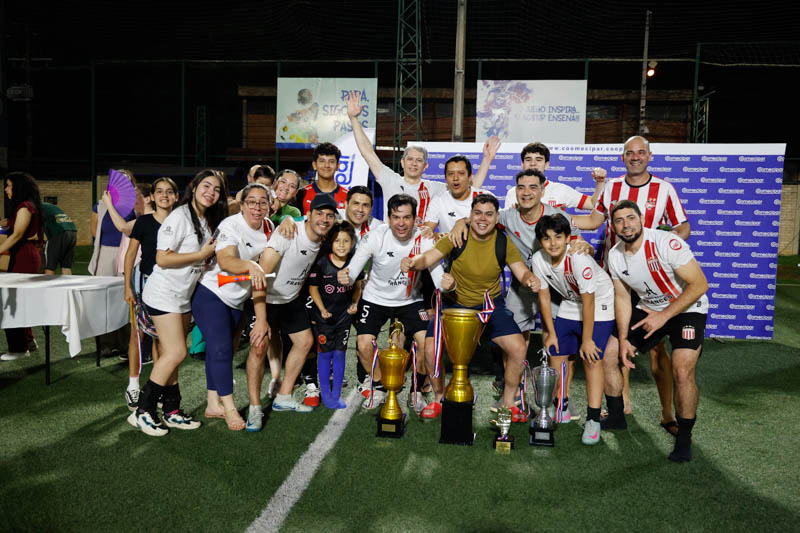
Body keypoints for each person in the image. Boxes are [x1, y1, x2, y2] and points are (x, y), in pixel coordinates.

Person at [448, 169, 592, 414]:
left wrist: (585, 247)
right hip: (522, 285)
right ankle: (514, 394)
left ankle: (560, 397)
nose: (526, 193)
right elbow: (481, 216)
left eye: (533, 187)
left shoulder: (557, 216)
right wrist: (460, 222)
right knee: (514, 339)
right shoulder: (508, 216)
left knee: (558, 340)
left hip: (555, 287)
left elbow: (579, 242)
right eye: (521, 187)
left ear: (542, 190)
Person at [572, 135, 690, 433]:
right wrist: (555, 217)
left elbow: (683, 226)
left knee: (657, 349)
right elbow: (594, 221)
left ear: (649, 156)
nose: (635, 157)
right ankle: (622, 403)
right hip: (617, 279)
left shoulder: (664, 189)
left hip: (652, 281)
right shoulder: (611, 187)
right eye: (629, 153)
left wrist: (665, 247)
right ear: (622, 157)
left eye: (641, 152)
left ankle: (667, 413)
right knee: (618, 340)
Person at [403, 194, 540, 422]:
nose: (483, 219)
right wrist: (413, 262)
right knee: (430, 349)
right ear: (470, 215)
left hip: (489, 304)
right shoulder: (458, 236)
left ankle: (508, 401)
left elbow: (521, 271)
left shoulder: (503, 242)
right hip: (453, 302)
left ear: (496, 218)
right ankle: (439, 397)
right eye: (478, 213)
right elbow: (428, 257)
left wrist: (529, 279)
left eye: (489, 214)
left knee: (517, 348)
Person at [603, 200, 708, 462]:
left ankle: (684, 438)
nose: (626, 225)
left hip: (687, 308)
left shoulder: (666, 242)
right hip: (649, 309)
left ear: (641, 219)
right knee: (610, 354)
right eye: (619, 220)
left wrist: (664, 316)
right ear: (612, 226)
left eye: (631, 218)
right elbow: (622, 298)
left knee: (682, 370)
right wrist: (624, 338)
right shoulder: (615, 255)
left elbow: (699, 285)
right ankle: (616, 417)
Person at [128, 169, 227, 437]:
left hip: (182, 296)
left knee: (173, 355)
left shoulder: (204, 219)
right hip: (164, 294)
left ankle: (171, 409)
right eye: (206, 186)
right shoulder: (180, 216)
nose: (211, 192)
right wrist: (200, 255)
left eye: (216, 189)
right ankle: (143, 411)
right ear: (193, 187)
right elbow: (162, 258)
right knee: (176, 353)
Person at [338, 194, 442, 412]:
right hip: (375, 298)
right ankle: (379, 386)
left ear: (415, 219)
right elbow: (354, 269)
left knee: (425, 345)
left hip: (411, 300)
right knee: (363, 345)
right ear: (388, 218)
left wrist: (447, 283)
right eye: (396, 217)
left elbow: (438, 276)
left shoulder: (423, 238)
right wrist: (347, 277)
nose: (401, 223)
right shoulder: (375, 236)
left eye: (406, 217)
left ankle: (416, 391)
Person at [245, 194, 336, 427]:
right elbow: (259, 275)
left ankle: (283, 396)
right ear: (309, 215)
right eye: (319, 213)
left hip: (290, 299)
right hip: (265, 298)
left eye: (329, 215)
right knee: (258, 347)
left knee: (305, 342)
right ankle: (254, 408)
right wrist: (261, 319)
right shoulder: (288, 233)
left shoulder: (325, 234)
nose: (324, 219)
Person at [346, 90, 497, 223]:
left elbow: (470, 186)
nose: (414, 163)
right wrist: (354, 119)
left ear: (425, 166)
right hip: (391, 243)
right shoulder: (390, 180)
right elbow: (368, 152)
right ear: (402, 163)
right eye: (410, 159)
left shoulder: (434, 188)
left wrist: (487, 159)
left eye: (419, 160)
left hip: (422, 244)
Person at [192, 183, 273, 431]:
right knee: (221, 351)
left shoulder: (269, 227)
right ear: (243, 204)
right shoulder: (230, 225)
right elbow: (226, 261)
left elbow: (261, 276)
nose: (257, 207)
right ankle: (229, 407)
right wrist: (251, 266)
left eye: (263, 202)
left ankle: (212, 404)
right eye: (252, 202)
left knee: (221, 349)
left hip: (237, 300)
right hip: (211, 293)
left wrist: (291, 222)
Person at [531, 214, 614, 445]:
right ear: (540, 241)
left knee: (591, 358)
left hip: (599, 302)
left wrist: (587, 340)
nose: (553, 243)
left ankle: (593, 419)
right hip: (570, 301)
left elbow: (589, 301)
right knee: (556, 352)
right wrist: (550, 333)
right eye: (546, 238)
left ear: (568, 238)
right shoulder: (538, 259)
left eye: (558, 237)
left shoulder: (578, 258)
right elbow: (544, 297)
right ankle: (561, 405)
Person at [122, 177, 178, 410]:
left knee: (162, 339)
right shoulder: (143, 222)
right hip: (144, 283)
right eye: (160, 191)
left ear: (176, 196)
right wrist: (127, 286)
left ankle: (158, 386)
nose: (164, 195)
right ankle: (133, 384)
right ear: (152, 196)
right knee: (138, 334)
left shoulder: (180, 221)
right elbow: (130, 254)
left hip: (169, 286)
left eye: (169, 191)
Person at [308, 221, 362, 409]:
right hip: (324, 318)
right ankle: (326, 395)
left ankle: (336, 395)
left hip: (344, 318)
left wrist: (354, 303)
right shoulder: (322, 263)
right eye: (337, 241)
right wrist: (322, 309)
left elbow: (358, 286)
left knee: (340, 354)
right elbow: (313, 289)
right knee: (325, 354)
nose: (341, 245)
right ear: (331, 242)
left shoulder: (354, 263)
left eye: (346, 241)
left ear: (352, 243)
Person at [89, 169, 138, 357]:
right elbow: (94, 231)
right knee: (103, 299)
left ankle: (125, 342)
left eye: (127, 180)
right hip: (105, 253)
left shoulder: (135, 205)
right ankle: (105, 343)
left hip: (127, 253)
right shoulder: (100, 205)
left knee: (125, 299)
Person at [488, 141, 605, 211]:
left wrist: (599, 182)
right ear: (522, 164)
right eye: (528, 160)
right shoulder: (513, 193)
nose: (533, 164)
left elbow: (592, 204)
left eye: (539, 160)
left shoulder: (560, 190)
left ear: (547, 165)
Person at [0, 172, 43, 361]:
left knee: (13, 301)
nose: (6, 189)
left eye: (9, 185)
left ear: (18, 187)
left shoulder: (25, 207)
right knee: (19, 300)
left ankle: (18, 348)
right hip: (24, 255)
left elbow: (17, 235)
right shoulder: (26, 206)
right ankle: (28, 341)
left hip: (24, 256)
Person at [422, 155, 494, 236]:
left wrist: (464, 221)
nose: (455, 178)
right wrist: (440, 236)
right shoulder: (438, 201)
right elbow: (426, 234)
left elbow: (496, 221)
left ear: (470, 177)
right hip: (448, 243)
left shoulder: (486, 197)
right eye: (450, 174)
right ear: (445, 178)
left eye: (461, 173)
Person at [296, 143, 348, 215]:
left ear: (337, 166)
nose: (326, 165)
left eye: (331, 162)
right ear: (314, 165)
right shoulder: (302, 194)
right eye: (322, 161)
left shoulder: (348, 196)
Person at [41, 202, 77, 275]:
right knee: (66, 267)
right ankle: (68, 283)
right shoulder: (48, 206)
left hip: (59, 232)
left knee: (50, 267)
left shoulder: (34, 207)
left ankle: (49, 282)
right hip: (72, 231)